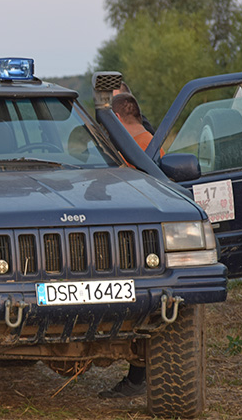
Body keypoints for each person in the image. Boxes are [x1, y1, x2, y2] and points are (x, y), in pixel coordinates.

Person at [98, 92, 153, 399]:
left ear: (115, 120)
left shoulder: (125, 150)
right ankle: (137, 378)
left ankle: (136, 380)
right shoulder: (153, 143)